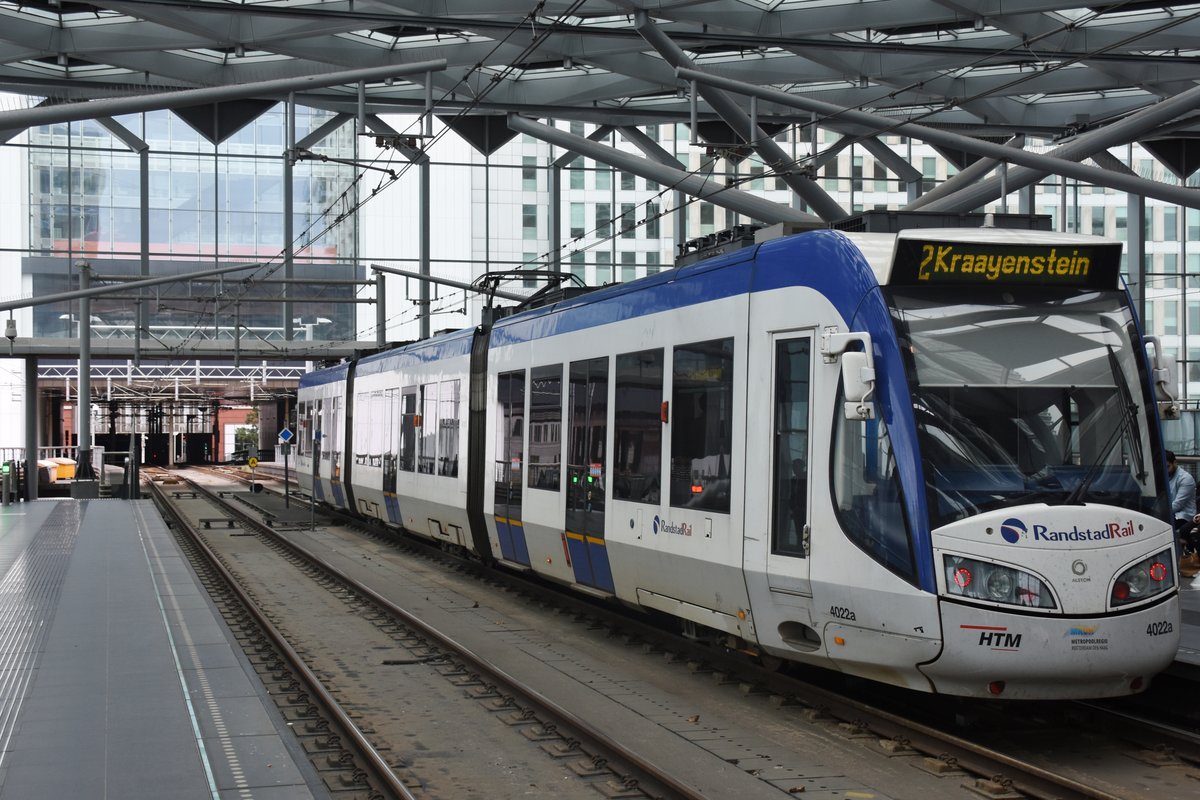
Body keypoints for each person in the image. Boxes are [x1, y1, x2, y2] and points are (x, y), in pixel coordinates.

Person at [1166, 451, 1199, 578]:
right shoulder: (1164, 476)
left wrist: (1158, 512)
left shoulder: (1185, 479)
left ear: (1175, 463)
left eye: (1168, 466)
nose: (1166, 470)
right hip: (1171, 513)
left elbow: (1177, 505)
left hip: (1184, 516)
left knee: (1165, 527)